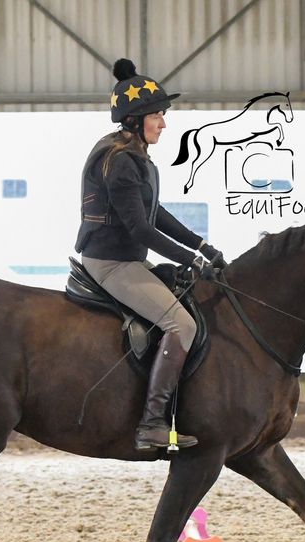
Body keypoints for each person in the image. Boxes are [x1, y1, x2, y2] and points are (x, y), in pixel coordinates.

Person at [75, 58, 227, 452]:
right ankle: (152, 425)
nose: (163, 123)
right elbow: (140, 229)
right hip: (111, 264)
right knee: (182, 326)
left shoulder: (134, 155)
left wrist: (201, 245)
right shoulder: (121, 160)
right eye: (158, 115)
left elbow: (154, 213)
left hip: (126, 258)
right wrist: (190, 261)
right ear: (135, 119)